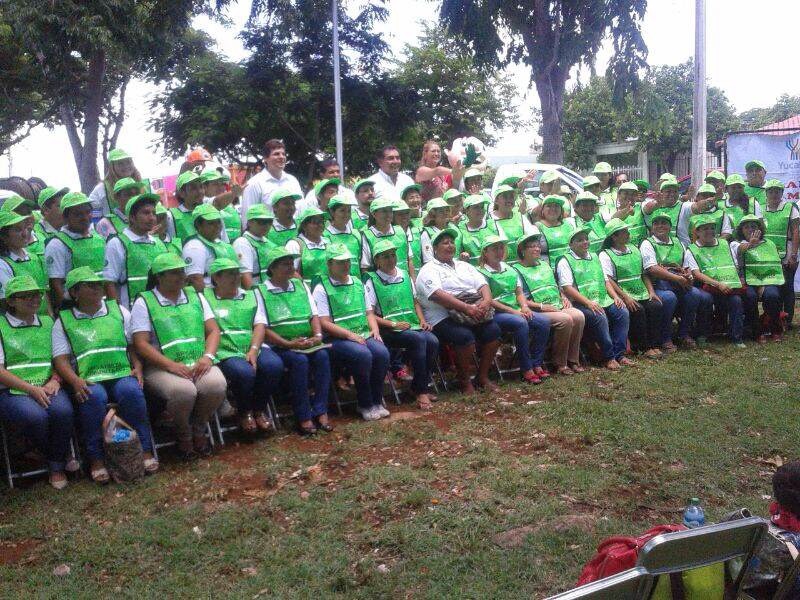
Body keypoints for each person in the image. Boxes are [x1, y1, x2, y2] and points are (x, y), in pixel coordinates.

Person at [52, 267, 157, 482]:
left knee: (132, 393)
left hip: (120, 373)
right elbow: (60, 360)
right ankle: (97, 460)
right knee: (93, 398)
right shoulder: (63, 321)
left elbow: (131, 346)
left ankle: (144, 452)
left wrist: (137, 366)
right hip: (88, 378)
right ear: (74, 292)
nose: (98, 288)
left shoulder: (119, 311)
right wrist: (74, 380)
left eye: (98, 284)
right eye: (90, 285)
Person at [131, 253, 226, 460]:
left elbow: (213, 331)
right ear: (159, 277)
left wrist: (208, 357)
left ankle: (199, 428)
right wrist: (171, 365)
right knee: (184, 391)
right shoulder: (144, 301)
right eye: (175, 272)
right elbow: (140, 343)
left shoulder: (195, 296)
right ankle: (183, 433)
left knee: (216, 385)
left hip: (198, 361)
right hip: (162, 366)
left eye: (182, 271)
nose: (182, 276)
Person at [0, 275, 74, 489]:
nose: (34, 299)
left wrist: (56, 379)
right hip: (13, 390)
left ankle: (55, 463)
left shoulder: (49, 323)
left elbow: (60, 359)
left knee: (63, 412)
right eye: (26, 296)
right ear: (11, 301)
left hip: (49, 385)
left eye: (37, 294)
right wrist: (31, 389)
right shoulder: (2, 326)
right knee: (36, 417)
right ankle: (57, 459)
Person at [415, 229, 502, 393]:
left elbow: (483, 285)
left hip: (473, 310)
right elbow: (437, 295)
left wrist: (486, 302)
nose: (450, 246)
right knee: (464, 337)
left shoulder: (464, 265)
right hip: (442, 316)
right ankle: (464, 380)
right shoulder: (428, 269)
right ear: (434, 248)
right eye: (445, 242)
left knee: (493, 331)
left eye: (452, 242)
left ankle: (481, 377)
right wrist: (466, 308)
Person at [257, 247, 332, 436]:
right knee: (299, 361)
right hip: (279, 345)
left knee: (322, 356)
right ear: (272, 268)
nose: (291, 267)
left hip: (306, 342)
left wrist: (317, 336)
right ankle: (303, 416)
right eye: (285, 264)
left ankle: (321, 411)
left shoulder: (300, 285)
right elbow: (263, 328)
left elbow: (314, 315)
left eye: (292, 263)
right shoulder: (260, 291)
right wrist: (289, 344)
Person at [313, 244, 390, 421]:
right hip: (337, 338)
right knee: (362, 355)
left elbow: (369, 313)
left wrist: (375, 330)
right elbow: (324, 322)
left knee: (382, 353)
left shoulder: (356, 282)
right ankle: (365, 403)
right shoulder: (322, 287)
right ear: (330, 264)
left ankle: (377, 401)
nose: (346, 265)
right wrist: (349, 335)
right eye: (340, 262)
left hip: (362, 333)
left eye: (347, 261)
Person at [203, 258, 282, 434]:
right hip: (224, 351)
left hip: (252, 346)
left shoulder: (250, 295)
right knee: (243, 373)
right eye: (230, 274)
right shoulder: (205, 298)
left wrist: (254, 350)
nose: (236, 277)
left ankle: (259, 410)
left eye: (237, 273)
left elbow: (260, 325)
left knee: (273, 366)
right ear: (216, 277)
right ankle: (244, 412)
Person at [364, 239, 439, 408]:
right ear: (377, 260)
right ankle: (421, 391)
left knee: (433, 341)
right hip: (388, 329)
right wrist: (392, 324)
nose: (391, 259)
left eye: (393, 255)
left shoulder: (404, 275)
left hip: (412, 325)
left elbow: (415, 302)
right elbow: (369, 314)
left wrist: (422, 320)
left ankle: (418, 385)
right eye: (385, 257)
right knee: (418, 340)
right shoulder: (372, 280)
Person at [477, 236, 551, 384]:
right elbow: (489, 300)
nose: (499, 252)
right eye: (494, 249)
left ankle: (536, 363)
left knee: (543, 322)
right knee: (520, 323)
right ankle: (526, 368)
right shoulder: (480, 272)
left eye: (501, 248)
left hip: (517, 310)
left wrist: (524, 306)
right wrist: (514, 312)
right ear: (485, 252)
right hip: (496, 313)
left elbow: (518, 293)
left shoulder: (509, 269)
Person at [556, 227, 630, 370]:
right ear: (571, 244)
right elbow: (567, 288)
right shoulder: (565, 261)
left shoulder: (595, 257)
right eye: (579, 240)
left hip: (602, 299)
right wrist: (588, 303)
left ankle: (619, 354)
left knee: (622, 312)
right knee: (600, 315)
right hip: (580, 303)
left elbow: (605, 281)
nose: (585, 242)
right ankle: (608, 357)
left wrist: (615, 297)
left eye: (586, 239)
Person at [514, 232, 585, 375]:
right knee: (565, 320)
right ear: (522, 250)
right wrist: (541, 306)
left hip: (555, 305)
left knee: (578, 316)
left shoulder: (545, 265)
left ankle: (573, 360)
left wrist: (563, 296)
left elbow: (554, 286)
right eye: (532, 247)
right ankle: (560, 363)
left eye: (537, 246)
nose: (537, 249)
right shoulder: (516, 270)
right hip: (537, 310)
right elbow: (518, 297)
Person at [640, 213, 708, 349]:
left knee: (694, 294)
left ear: (670, 226)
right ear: (652, 227)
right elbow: (652, 269)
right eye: (656, 223)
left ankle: (684, 334)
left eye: (664, 223)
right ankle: (665, 337)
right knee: (669, 297)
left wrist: (688, 276)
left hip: (678, 282)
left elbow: (687, 266)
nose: (660, 226)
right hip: (657, 285)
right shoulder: (647, 243)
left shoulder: (678, 242)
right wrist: (677, 278)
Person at [600, 219, 664, 359]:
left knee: (655, 306)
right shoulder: (606, 254)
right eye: (624, 232)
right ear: (614, 236)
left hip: (642, 291)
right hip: (623, 293)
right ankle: (642, 347)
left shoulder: (634, 249)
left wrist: (651, 292)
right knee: (638, 310)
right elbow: (609, 279)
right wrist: (625, 297)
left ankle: (654, 344)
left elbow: (643, 274)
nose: (628, 234)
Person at [685, 214, 746, 347]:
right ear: (697, 232)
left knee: (736, 301)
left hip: (728, 285)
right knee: (706, 299)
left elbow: (734, 266)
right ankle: (703, 334)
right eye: (704, 228)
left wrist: (735, 281)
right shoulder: (692, 249)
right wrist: (718, 284)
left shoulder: (725, 244)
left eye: (712, 228)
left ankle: (736, 337)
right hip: (705, 286)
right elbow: (696, 273)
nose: (709, 231)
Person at [103, 193, 167, 309]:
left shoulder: (159, 243)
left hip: (159, 310)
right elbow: (109, 283)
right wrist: (119, 314)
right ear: (132, 217)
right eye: (146, 213)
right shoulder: (117, 243)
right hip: (130, 313)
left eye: (154, 213)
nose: (152, 217)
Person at [44, 192, 105, 310]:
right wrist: (68, 313)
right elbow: (56, 283)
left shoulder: (99, 239)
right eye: (78, 214)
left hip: (103, 307)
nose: (85, 217)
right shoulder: (57, 244)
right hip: (76, 309)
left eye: (88, 212)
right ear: (65, 217)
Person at [732, 215, 785, 342]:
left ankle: (775, 329)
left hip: (768, 280)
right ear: (741, 230)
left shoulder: (769, 244)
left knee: (772, 295)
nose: (750, 229)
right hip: (747, 281)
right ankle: (756, 331)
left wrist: (763, 284)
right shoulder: (736, 243)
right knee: (750, 296)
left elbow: (775, 264)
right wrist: (751, 244)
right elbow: (741, 250)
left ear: (760, 229)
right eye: (746, 227)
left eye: (753, 226)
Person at [239, 139, 303, 228]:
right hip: (267, 237)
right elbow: (247, 218)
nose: (281, 157)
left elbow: (301, 211)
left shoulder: (293, 181)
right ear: (265, 159)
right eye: (276, 154)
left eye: (283, 154)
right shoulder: (254, 183)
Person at [762, 179, 799, 328]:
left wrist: (794, 255)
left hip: (788, 253)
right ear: (766, 193)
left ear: (782, 193)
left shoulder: (790, 207)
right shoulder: (762, 209)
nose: (774, 194)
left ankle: (787, 320)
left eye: (777, 191)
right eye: (771, 191)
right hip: (768, 256)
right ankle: (772, 317)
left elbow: (796, 231)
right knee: (771, 287)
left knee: (787, 287)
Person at [0, 211, 50, 315]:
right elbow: (6, 303)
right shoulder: (3, 265)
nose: (25, 234)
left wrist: (51, 318)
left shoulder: (34, 258)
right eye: (18, 230)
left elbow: (44, 293)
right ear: (3, 237)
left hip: (43, 322)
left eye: (25, 228)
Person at [182, 204, 239, 291]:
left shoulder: (222, 245)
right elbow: (195, 279)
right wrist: (208, 303)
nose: (217, 226)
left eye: (218, 222)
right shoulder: (194, 246)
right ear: (198, 226)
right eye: (211, 223)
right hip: (212, 300)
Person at [360, 198, 412, 275]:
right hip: (381, 284)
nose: (388, 215)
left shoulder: (400, 231)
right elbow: (365, 267)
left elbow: (409, 259)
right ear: (374, 214)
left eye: (390, 211)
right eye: (384, 211)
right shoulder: (368, 235)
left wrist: (412, 281)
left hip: (403, 282)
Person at [88, 148, 142, 221]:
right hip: (113, 231)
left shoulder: (144, 185)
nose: (126, 166)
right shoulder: (102, 188)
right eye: (120, 163)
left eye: (128, 162)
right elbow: (89, 211)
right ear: (112, 167)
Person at [491, 184, 538, 264]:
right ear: (496, 200)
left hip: (521, 266)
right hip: (499, 267)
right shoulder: (489, 219)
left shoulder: (520, 217)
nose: (509, 200)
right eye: (505, 197)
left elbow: (531, 239)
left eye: (511, 197)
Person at [232, 204, 276, 289]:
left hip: (271, 292)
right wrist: (257, 297)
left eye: (269, 221)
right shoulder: (242, 243)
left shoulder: (269, 243)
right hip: (257, 294)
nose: (266, 225)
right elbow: (245, 276)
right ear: (249, 222)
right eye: (261, 222)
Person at [285, 207, 328, 284]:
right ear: (304, 226)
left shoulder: (328, 242)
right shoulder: (294, 244)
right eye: (315, 222)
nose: (320, 225)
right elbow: (290, 271)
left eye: (322, 222)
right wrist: (306, 288)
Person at [323, 194, 361, 277]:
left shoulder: (356, 234)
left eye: (348, 211)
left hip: (356, 283)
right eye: (342, 210)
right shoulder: (325, 235)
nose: (346, 214)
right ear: (332, 212)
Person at [200, 168, 243, 242]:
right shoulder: (202, 203)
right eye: (215, 184)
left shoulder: (228, 203)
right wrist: (233, 193)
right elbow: (217, 203)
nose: (220, 187)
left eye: (222, 184)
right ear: (204, 187)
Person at [458, 194, 501, 264]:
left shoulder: (493, 224)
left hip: (493, 269)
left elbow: (504, 248)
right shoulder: (460, 228)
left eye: (481, 207)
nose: (480, 210)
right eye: (476, 207)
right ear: (467, 211)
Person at [168, 170, 207, 243]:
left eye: (201, 187)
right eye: (193, 188)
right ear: (182, 193)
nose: (200, 191)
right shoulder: (171, 216)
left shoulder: (210, 211)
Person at [537, 195, 575, 268]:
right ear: (542, 210)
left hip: (570, 267)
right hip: (548, 270)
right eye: (549, 206)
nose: (553, 209)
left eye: (556, 206)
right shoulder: (537, 227)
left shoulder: (568, 224)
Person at [420, 197, 461, 264]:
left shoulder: (454, 228)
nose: (445, 213)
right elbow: (428, 260)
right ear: (433, 214)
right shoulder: (427, 233)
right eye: (441, 211)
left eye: (447, 210)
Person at [30, 186, 67, 258]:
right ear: (46, 210)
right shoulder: (36, 236)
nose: (66, 209)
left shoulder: (69, 231)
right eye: (61, 206)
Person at [609, 182, 647, 246]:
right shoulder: (611, 210)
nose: (629, 196)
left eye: (633, 194)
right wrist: (626, 210)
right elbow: (613, 219)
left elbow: (649, 207)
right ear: (618, 195)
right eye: (626, 193)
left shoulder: (640, 207)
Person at [391, 199, 422, 271]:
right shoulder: (388, 235)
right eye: (400, 214)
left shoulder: (418, 232)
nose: (404, 216)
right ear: (392, 216)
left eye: (406, 213)